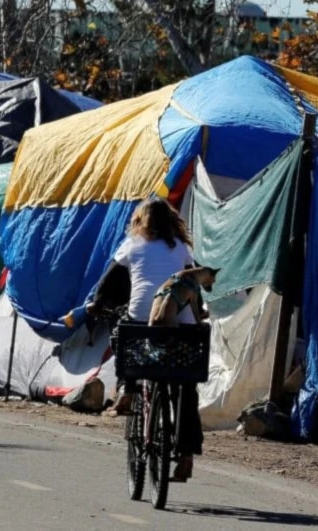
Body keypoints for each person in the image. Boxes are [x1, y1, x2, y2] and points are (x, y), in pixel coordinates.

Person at [107, 198, 206, 482]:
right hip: (181, 327)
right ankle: (186, 456)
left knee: (123, 333)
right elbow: (194, 283)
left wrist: (95, 304)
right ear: (174, 222)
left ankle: (127, 386)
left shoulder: (132, 245)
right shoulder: (183, 249)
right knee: (186, 389)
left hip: (141, 321)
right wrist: (199, 310)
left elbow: (109, 283)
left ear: (140, 221)